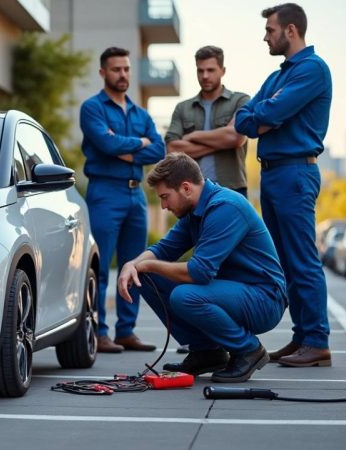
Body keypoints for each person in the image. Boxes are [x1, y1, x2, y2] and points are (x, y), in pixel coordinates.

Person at [117, 153, 286, 382]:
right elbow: (164, 248)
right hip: (234, 292)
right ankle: (206, 352)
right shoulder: (194, 210)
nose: (164, 205)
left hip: (264, 299)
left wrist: (147, 264)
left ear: (186, 188)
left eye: (165, 197)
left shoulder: (225, 207)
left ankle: (249, 350)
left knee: (185, 296)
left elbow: (199, 272)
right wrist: (132, 265)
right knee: (143, 276)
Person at [234, 3, 333, 367]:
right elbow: (243, 120)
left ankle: (318, 341)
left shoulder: (312, 70)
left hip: (295, 172)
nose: (265, 37)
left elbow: (269, 114)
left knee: (303, 260)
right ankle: (302, 336)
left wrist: (267, 117)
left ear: (290, 30)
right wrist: (264, 118)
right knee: (286, 262)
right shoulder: (278, 78)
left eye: (270, 30)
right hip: (273, 173)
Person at [80, 46, 166, 353]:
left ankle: (126, 331)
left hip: (136, 193)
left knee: (136, 265)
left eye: (127, 69)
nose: (123, 74)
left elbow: (159, 149)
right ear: (103, 72)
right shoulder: (92, 108)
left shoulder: (140, 113)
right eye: (116, 69)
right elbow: (104, 142)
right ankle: (99, 331)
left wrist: (124, 147)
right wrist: (137, 144)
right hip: (105, 192)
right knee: (101, 266)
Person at [165, 45, 250, 197]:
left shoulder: (241, 100)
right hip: (192, 191)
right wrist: (223, 142)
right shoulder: (183, 108)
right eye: (200, 70)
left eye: (210, 70)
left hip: (232, 189)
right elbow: (172, 149)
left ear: (223, 71)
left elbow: (236, 138)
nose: (204, 76)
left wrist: (194, 136)